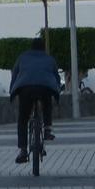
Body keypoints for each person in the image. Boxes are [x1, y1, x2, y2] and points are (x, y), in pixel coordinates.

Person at [10, 36, 61, 164]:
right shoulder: (49, 59)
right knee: (47, 103)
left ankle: (22, 150)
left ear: (31, 47)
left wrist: (12, 91)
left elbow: (15, 74)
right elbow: (56, 77)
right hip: (45, 87)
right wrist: (57, 91)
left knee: (23, 118)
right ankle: (47, 129)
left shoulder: (23, 57)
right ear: (43, 48)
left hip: (25, 88)